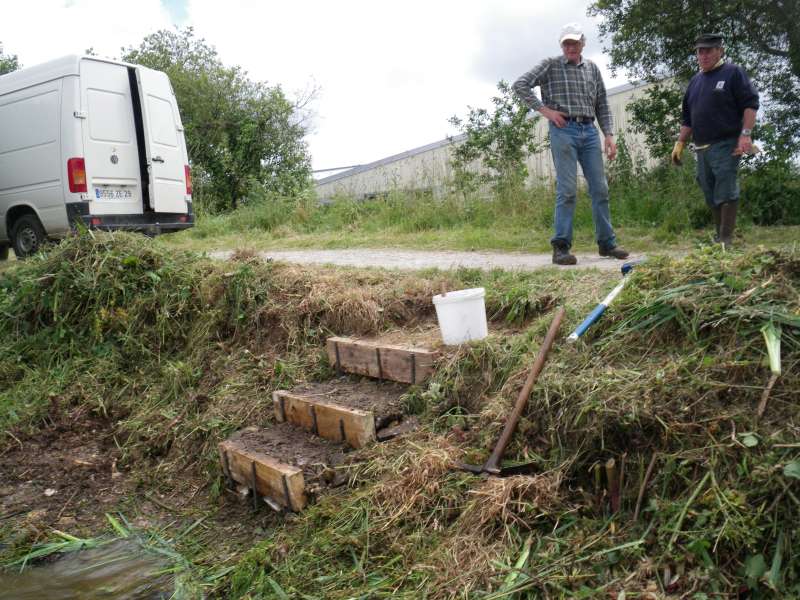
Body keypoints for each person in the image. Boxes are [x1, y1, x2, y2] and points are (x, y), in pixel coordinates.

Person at [513, 23, 628, 266]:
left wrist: (608, 134)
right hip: (564, 130)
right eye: (566, 43)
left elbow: (602, 104)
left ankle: (607, 244)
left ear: (583, 44)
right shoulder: (550, 65)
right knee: (566, 190)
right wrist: (546, 111)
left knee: (600, 188)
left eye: (574, 43)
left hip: (589, 131)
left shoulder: (592, 69)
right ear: (561, 45)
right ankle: (561, 247)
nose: (571, 47)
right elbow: (520, 85)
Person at [671, 33, 759, 249]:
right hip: (701, 147)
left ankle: (726, 238)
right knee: (709, 190)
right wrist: (680, 143)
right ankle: (719, 237)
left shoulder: (732, 73)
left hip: (727, 143)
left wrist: (745, 134)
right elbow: (688, 118)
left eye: (708, 50)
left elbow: (750, 104)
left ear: (720, 50)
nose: (704, 55)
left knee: (725, 188)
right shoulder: (695, 82)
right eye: (700, 51)